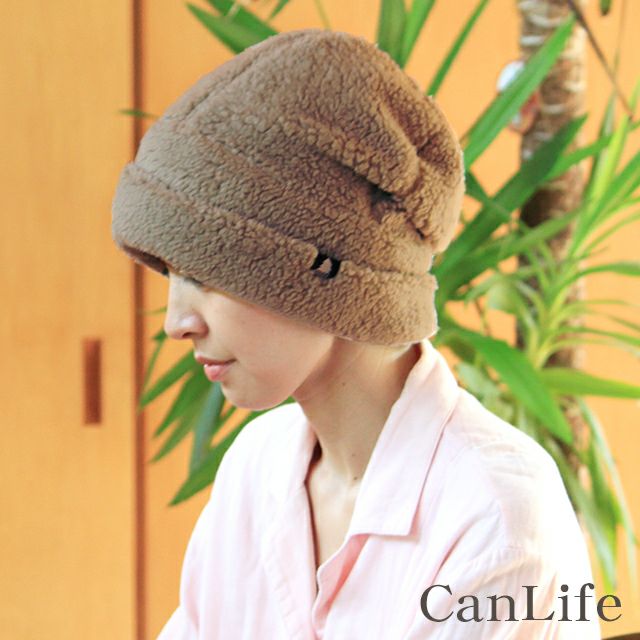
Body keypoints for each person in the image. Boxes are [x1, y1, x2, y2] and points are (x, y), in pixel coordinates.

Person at [111, 28, 602, 639]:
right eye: (170, 274)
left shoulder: (496, 518)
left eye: (205, 273)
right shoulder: (257, 467)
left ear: (326, 273)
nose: (176, 322)